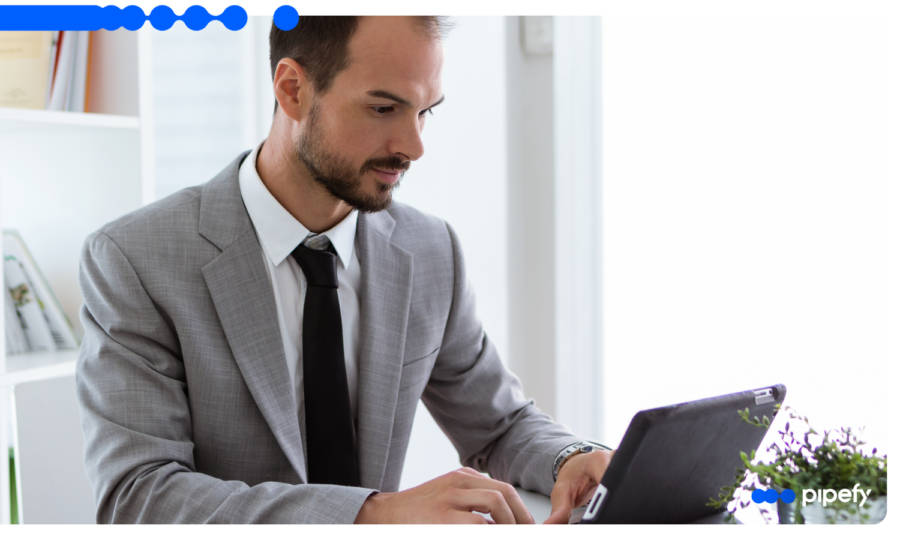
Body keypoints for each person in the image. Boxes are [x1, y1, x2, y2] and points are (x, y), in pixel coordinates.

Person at [76, 15, 612, 524]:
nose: (415, 146)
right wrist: (373, 515)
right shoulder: (135, 260)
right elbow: (139, 496)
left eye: (426, 111)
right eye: (384, 109)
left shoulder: (430, 251)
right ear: (292, 90)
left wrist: (570, 457)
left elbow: (499, 424)